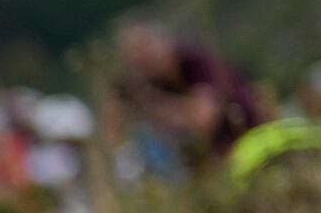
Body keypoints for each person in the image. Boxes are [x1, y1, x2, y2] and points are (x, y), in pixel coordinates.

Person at [109, 19, 269, 178]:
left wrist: (155, 107)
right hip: (215, 165)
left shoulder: (194, 61)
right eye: (134, 60)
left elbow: (205, 119)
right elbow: (114, 137)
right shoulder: (153, 84)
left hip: (254, 142)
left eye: (143, 51)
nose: (141, 63)